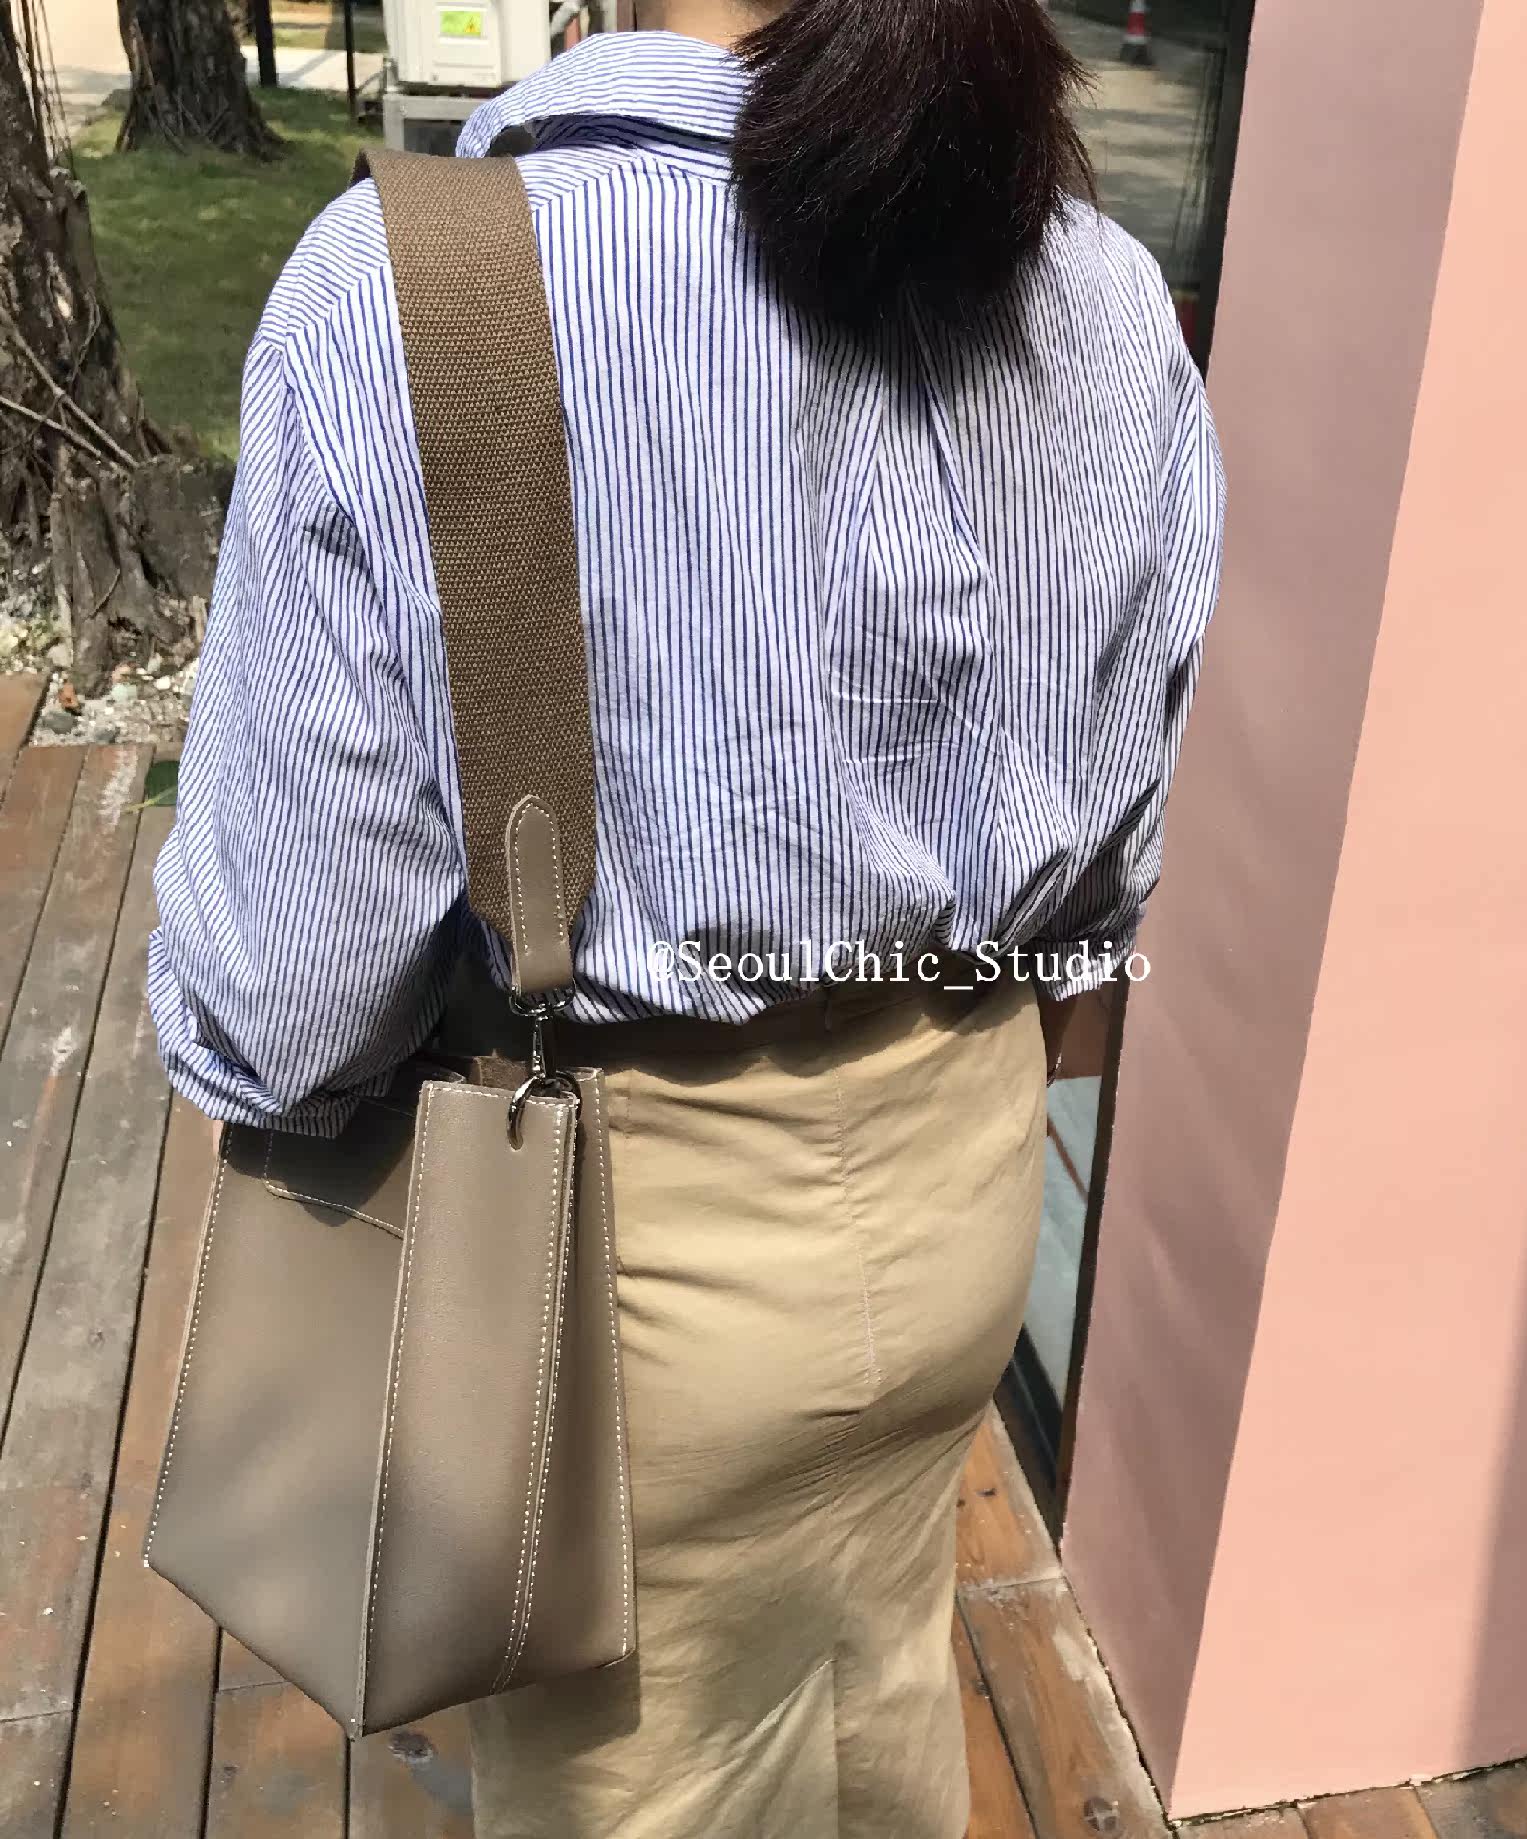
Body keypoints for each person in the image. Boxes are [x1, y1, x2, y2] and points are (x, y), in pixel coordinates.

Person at [146, 0, 1224, 1832]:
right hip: (963, 1191)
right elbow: (1107, 867)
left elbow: (290, 1002)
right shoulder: (1095, 284)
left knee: (645, 1789)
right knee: (875, 1702)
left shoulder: (421, 285)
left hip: (614, 1274)